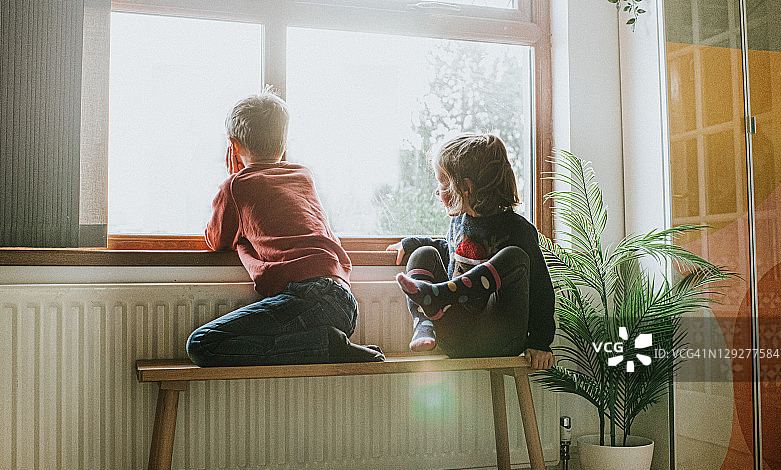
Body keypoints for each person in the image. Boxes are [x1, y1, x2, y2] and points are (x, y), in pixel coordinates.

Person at [186, 89, 384, 367]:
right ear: (284, 142)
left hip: (309, 298)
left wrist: (234, 179)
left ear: (233, 145)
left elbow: (216, 240)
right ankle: (327, 343)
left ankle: (325, 346)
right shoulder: (303, 175)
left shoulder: (236, 186)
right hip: (344, 300)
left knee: (201, 344)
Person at [387, 133, 555, 370]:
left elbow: (541, 290)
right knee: (423, 253)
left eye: (443, 183)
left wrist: (541, 342)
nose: (437, 191)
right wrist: (412, 243)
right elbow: (451, 251)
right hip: (454, 336)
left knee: (515, 257)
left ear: (466, 187)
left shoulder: (518, 230)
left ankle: (440, 296)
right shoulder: (458, 224)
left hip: (499, 337)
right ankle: (425, 322)